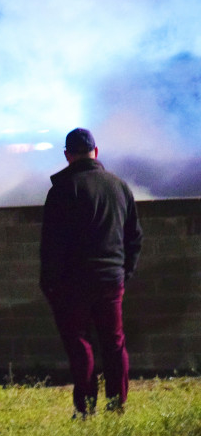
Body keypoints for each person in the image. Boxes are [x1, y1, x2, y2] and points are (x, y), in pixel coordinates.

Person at [40, 128, 142, 419]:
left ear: (67, 156)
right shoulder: (119, 186)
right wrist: (125, 272)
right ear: (96, 153)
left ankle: (85, 408)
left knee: (79, 342)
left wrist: (49, 284)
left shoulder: (62, 189)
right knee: (114, 343)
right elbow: (134, 237)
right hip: (111, 279)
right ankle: (117, 406)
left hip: (73, 283)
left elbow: (52, 245)